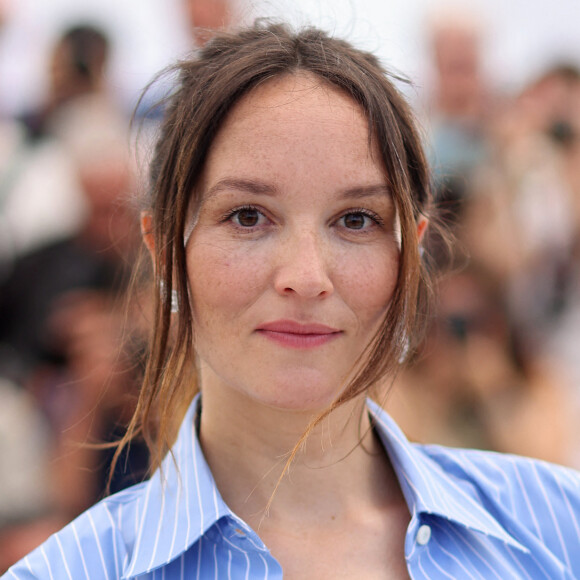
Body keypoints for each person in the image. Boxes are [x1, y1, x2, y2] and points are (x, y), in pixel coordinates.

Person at [3, 21, 580, 580]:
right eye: (248, 216)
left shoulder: (557, 527)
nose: (306, 277)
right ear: (165, 251)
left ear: (411, 253)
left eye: (356, 220)